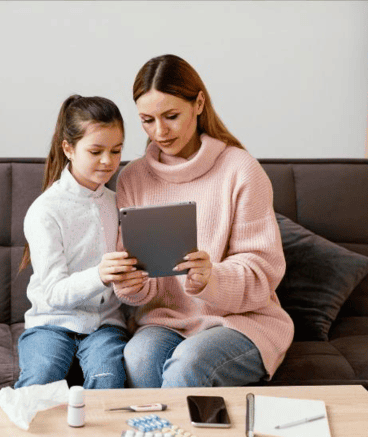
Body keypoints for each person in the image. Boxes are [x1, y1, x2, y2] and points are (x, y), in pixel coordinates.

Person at [110, 54, 293, 388]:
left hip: (240, 322)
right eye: (147, 120)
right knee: (137, 357)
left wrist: (213, 278)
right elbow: (141, 283)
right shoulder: (133, 178)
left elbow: (264, 270)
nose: (159, 131)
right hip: (164, 322)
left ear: (199, 104)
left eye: (171, 116)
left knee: (188, 364)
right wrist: (129, 283)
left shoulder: (241, 170)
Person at [17, 95, 140, 389]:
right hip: (50, 323)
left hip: (105, 326)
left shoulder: (119, 204)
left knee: (109, 379)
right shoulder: (45, 210)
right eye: (96, 151)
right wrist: (99, 274)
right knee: (41, 377)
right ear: (68, 148)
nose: (108, 161)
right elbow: (53, 293)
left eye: (116, 150)